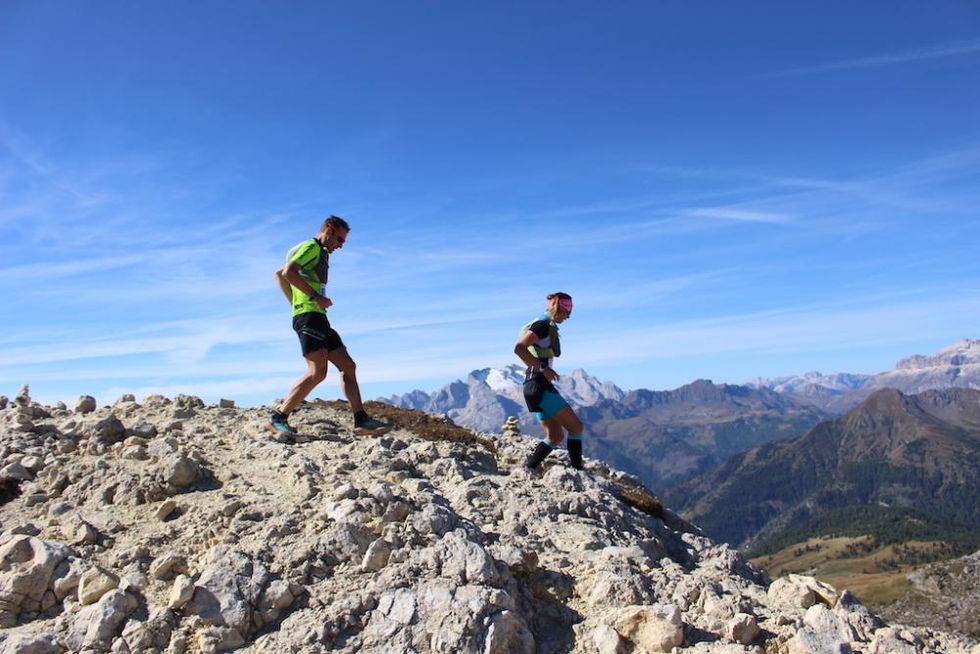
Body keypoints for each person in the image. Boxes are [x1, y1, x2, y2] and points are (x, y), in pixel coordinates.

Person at [268, 215, 388, 440]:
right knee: (317, 373)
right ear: (329, 230)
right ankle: (278, 417)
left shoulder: (318, 252)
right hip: (309, 317)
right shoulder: (311, 247)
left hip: (317, 317)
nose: (340, 246)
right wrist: (311, 299)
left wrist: (297, 303)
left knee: (348, 366)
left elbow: (279, 274)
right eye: (340, 240)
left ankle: (361, 420)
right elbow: (288, 273)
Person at [514, 292, 584, 470]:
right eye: (568, 311)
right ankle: (578, 473)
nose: (569, 316)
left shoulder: (544, 325)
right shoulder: (542, 326)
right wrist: (543, 368)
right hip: (539, 385)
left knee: (555, 436)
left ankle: (529, 468)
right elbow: (519, 348)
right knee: (576, 427)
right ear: (559, 309)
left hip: (531, 387)